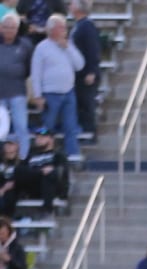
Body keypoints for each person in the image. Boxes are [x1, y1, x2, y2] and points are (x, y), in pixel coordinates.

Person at [28, 12, 80, 161]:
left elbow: (79, 65)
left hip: (69, 93)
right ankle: (43, 157)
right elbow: (36, 73)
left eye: (65, 27)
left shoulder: (68, 45)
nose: (64, 30)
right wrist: (38, 95)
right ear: (52, 29)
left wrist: (68, 48)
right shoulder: (42, 48)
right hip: (50, 95)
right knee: (47, 128)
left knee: (71, 127)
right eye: (61, 27)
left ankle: (73, 157)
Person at [0, 14, 32, 158]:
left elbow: (29, 69)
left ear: (17, 29)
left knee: (21, 127)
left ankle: (23, 158)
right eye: (6, 27)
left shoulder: (25, 45)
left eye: (12, 27)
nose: (9, 30)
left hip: (18, 93)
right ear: (1, 28)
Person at [68, 0, 98, 138]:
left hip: (86, 73)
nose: (69, 6)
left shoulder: (87, 26)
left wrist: (91, 71)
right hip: (78, 74)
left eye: (72, 4)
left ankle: (89, 132)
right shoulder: (78, 25)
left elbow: (93, 50)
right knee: (80, 104)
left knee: (87, 105)